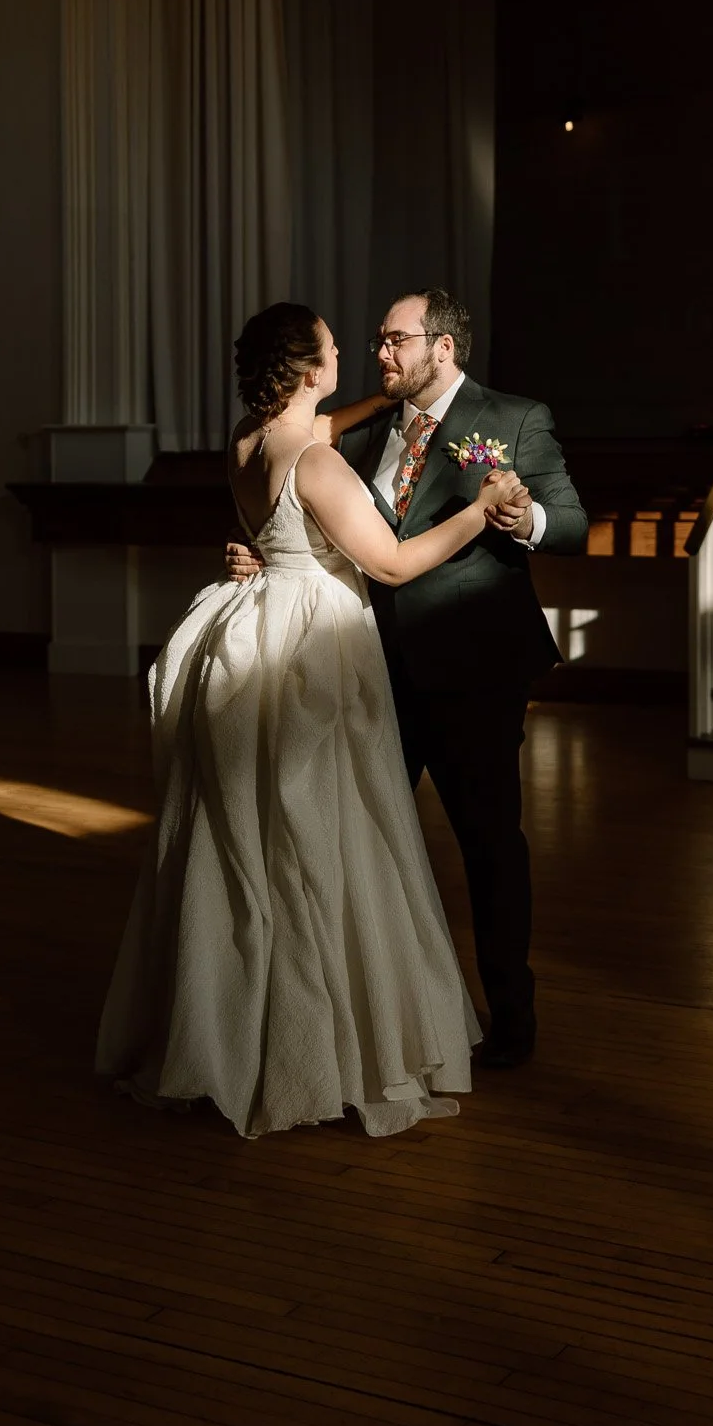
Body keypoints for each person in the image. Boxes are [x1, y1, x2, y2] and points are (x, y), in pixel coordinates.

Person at [96, 302, 528, 1139]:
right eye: (335, 348)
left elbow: (316, 432)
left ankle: (220, 1028)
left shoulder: (246, 440)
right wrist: (481, 509)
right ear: (308, 368)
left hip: (250, 627)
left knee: (249, 828)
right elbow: (394, 565)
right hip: (313, 645)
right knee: (326, 828)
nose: (349, 355)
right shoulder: (320, 466)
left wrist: (375, 411)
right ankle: (321, 1043)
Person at [226, 289, 587, 1069]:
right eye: (372, 342)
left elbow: (572, 524)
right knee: (356, 843)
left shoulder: (514, 416)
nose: (378, 353)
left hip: (472, 671)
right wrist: (265, 551)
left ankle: (511, 1019)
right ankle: (361, 1018)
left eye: (394, 340)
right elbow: (311, 515)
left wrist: (519, 520)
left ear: (442, 348)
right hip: (363, 671)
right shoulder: (349, 434)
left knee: (488, 845)